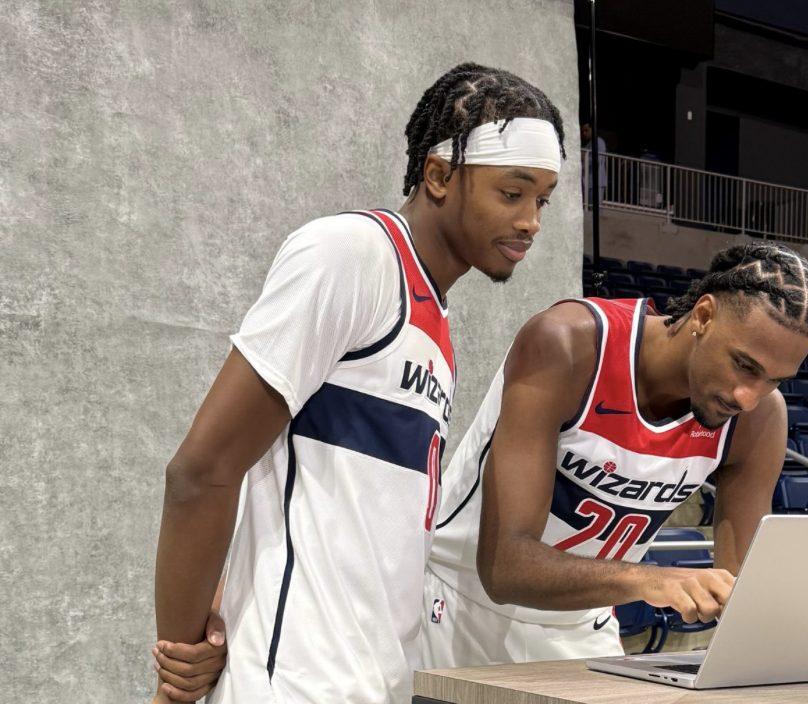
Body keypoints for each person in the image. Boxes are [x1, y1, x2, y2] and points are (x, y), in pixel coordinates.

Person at [151, 62, 565, 704]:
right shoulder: (350, 254)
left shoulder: (435, 319)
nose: (532, 221)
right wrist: (180, 669)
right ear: (438, 176)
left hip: (375, 679)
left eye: (542, 199)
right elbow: (201, 472)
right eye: (512, 193)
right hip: (295, 681)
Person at [421, 243, 808, 667]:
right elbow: (505, 568)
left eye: (774, 380)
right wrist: (648, 579)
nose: (750, 396)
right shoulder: (570, 343)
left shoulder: (757, 417)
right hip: (458, 606)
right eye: (744, 365)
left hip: (581, 623)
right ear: (704, 316)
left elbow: (741, 589)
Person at [580, 122, 607, 205]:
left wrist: (584, 157)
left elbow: (597, 159)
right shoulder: (589, 144)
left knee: (594, 208)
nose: (584, 133)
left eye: (586, 130)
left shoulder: (599, 142)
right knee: (587, 208)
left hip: (596, 182)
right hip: (588, 182)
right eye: (583, 131)